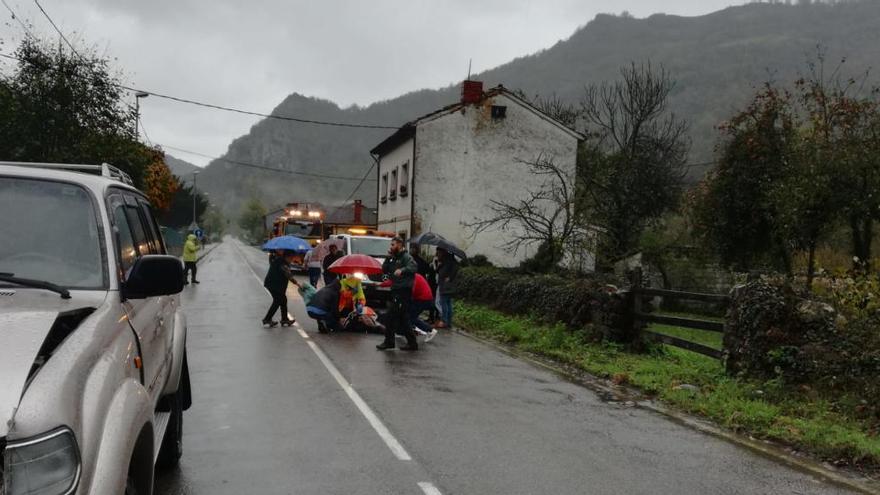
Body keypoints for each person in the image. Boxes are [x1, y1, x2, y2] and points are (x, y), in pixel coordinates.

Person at [377, 236, 418, 351]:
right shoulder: (394, 258)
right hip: (396, 290)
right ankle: (412, 343)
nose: (391, 247)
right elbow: (384, 270)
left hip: (403, 291)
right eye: (391, 245)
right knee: (402, 318)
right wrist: (388, 258)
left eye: (393, 245)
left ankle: (389, 342)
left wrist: (402, 270)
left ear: (400, 245)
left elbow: (413, 266)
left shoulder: (406, 257)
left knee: (391, 317)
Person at [263, 250, 295, 327]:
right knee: (278, 301)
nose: (292, 259)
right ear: (286, 257)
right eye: (291, 258)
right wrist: (297, 283)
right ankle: (267, 319)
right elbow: (288, 275)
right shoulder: (282, 263)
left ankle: (284, 319)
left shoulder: (281, 261)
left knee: (283, 300)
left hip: (274, 284)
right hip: (273, 285)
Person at [410, 243, 438, 322]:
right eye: (411, 248)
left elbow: (428, 270)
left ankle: (431, 318)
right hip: (419, 282)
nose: (412, 250)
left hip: (420, 283)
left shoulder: (420, 261)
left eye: (413, 248)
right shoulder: (412, 259)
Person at [410, 273, 438, 342]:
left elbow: (411, 290)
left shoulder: (413, 278)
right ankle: (405, 331)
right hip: (423, 298)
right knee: (409, 315)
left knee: (411, 317)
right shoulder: (414, 276)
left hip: (423, 299)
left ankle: (430, 330)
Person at [435, 247, 459, 329]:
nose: (437, 254)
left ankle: (444, 321)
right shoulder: (447, 260)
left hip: (446, 286)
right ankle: (448, 322)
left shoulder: (448, 261)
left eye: (438, 252)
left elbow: (443, 272)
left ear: (443, 252)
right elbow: (438, 271)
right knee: (448, 304)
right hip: (447, 286)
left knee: (444, 304)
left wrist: (450, 277)